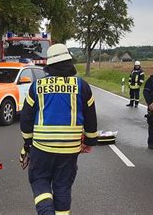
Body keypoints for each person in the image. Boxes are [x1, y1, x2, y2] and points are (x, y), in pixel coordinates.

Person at [20, 43, 98, 215]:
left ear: (50, 65)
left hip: (42, 147)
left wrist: (27, 143)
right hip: (70, 148)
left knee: (40, 179)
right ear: (69, 63)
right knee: (63, 185)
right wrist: (90, 141)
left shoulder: (37, 86)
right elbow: (91, 117)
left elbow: (25, 118)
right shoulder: (81, 85)